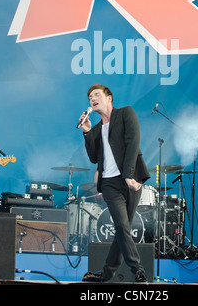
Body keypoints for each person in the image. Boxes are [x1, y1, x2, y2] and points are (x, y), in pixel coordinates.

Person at [80, 84, 150, 283]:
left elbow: (133, 141)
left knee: (123, 229)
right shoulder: (96, 129)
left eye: (96, 95)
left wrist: (128, 175)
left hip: (131, 178)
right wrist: (86, 132)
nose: (92, 99)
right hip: (109, 183)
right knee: (121, 224)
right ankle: (137, 269)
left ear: (109, 98)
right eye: (90, 97)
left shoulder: (126, 113)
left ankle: (106, 273)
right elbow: (94, 158)